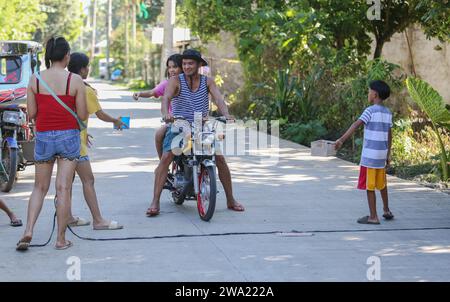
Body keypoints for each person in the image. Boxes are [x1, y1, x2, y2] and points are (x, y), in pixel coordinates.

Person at [147, 49, 244, 217]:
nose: (186, 66)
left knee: (219, 159)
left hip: (201, 126)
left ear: (199, 65)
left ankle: (231, 199)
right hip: (178, 124)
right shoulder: (175, 80)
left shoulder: (208, 81)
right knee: (166, 157)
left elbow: (219, 99)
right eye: (184, 63)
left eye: (190, 63)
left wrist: (226, 114)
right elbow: (166, 98)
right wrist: (166, 114)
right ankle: (155, 201)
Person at [17, 37, 88, 251]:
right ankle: (60, 239)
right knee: (63, 187)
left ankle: (28, 230)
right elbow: (83, 115)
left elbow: (32, 113)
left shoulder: (35, 80)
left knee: (39, 187)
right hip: (69, 136)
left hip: (45, 136)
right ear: (67, 56)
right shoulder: (75, 80)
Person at [66, 52, 124, 230]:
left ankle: (67, 217)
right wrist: (116, 120)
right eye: (87, 66)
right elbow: (100, 114)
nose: (88, 69)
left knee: (66, 182)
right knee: (88, 180)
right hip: (76, 144)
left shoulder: (65, 84)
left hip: (64, 138)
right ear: (82, 69)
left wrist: (85, 132)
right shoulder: (86, 89)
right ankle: (98, 220)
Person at [335, 80, 394, 225]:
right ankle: (386, 210)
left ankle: (373, 216)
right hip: (381, 155)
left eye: (369, 91)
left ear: (375, 94)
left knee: (369, 186)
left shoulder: (369, 111)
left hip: (370, 157)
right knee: (382, 183)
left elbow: (356, 125)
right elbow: (389, 134)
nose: (368, 94)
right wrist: (388, 154)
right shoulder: (387, 113)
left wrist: (341, 140)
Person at [132, 54, 183, 159]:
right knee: (159, 134)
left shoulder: (191, 83)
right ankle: (163, 164)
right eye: (169, 67)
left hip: (191, 121)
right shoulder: (166, 84)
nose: (172, 70)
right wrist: (140, 94)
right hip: (173, 121)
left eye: (175, 67)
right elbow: (152, 92)